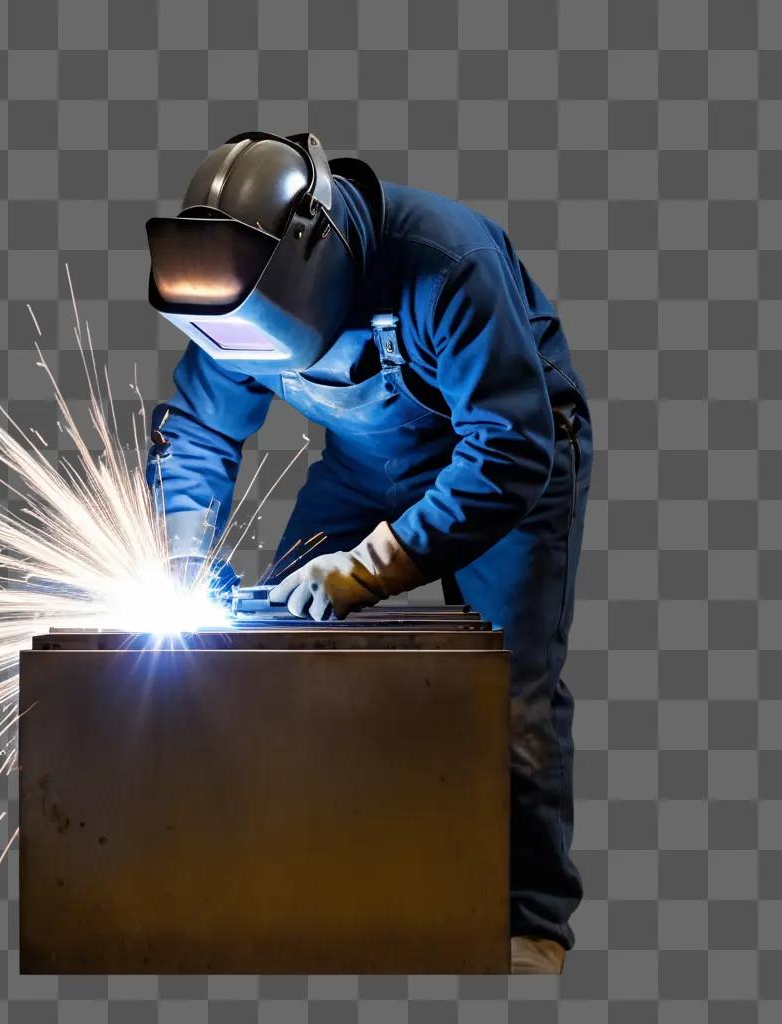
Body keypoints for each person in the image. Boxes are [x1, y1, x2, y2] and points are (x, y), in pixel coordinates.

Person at [144, 131, 591, 974]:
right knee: (271, 649)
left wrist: (365, 568)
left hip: (513, 457)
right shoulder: (231, 290)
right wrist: (185, 552)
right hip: (365, 465)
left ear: (316, 270)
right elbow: (200, 427)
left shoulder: (442, 265)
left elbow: (510, 448)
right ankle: (305, 868)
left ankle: (526, 920)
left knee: (512, 686)